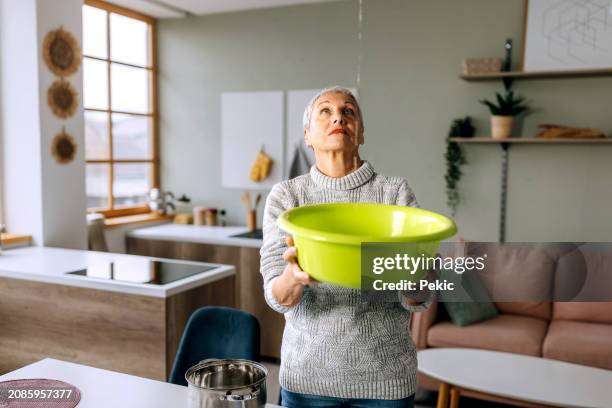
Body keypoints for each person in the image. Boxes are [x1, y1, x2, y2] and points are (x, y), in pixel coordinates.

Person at [260, 86, 432, 408]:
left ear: (361, 132)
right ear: (307, 135)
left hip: (386, 382)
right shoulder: (287, 198)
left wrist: (413, 279)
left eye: (348, 111)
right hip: (306, 380)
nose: (338, 116)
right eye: (324, 111)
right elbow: (276, 296)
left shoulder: (393, 194)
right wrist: (292, 279)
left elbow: (420, 298)